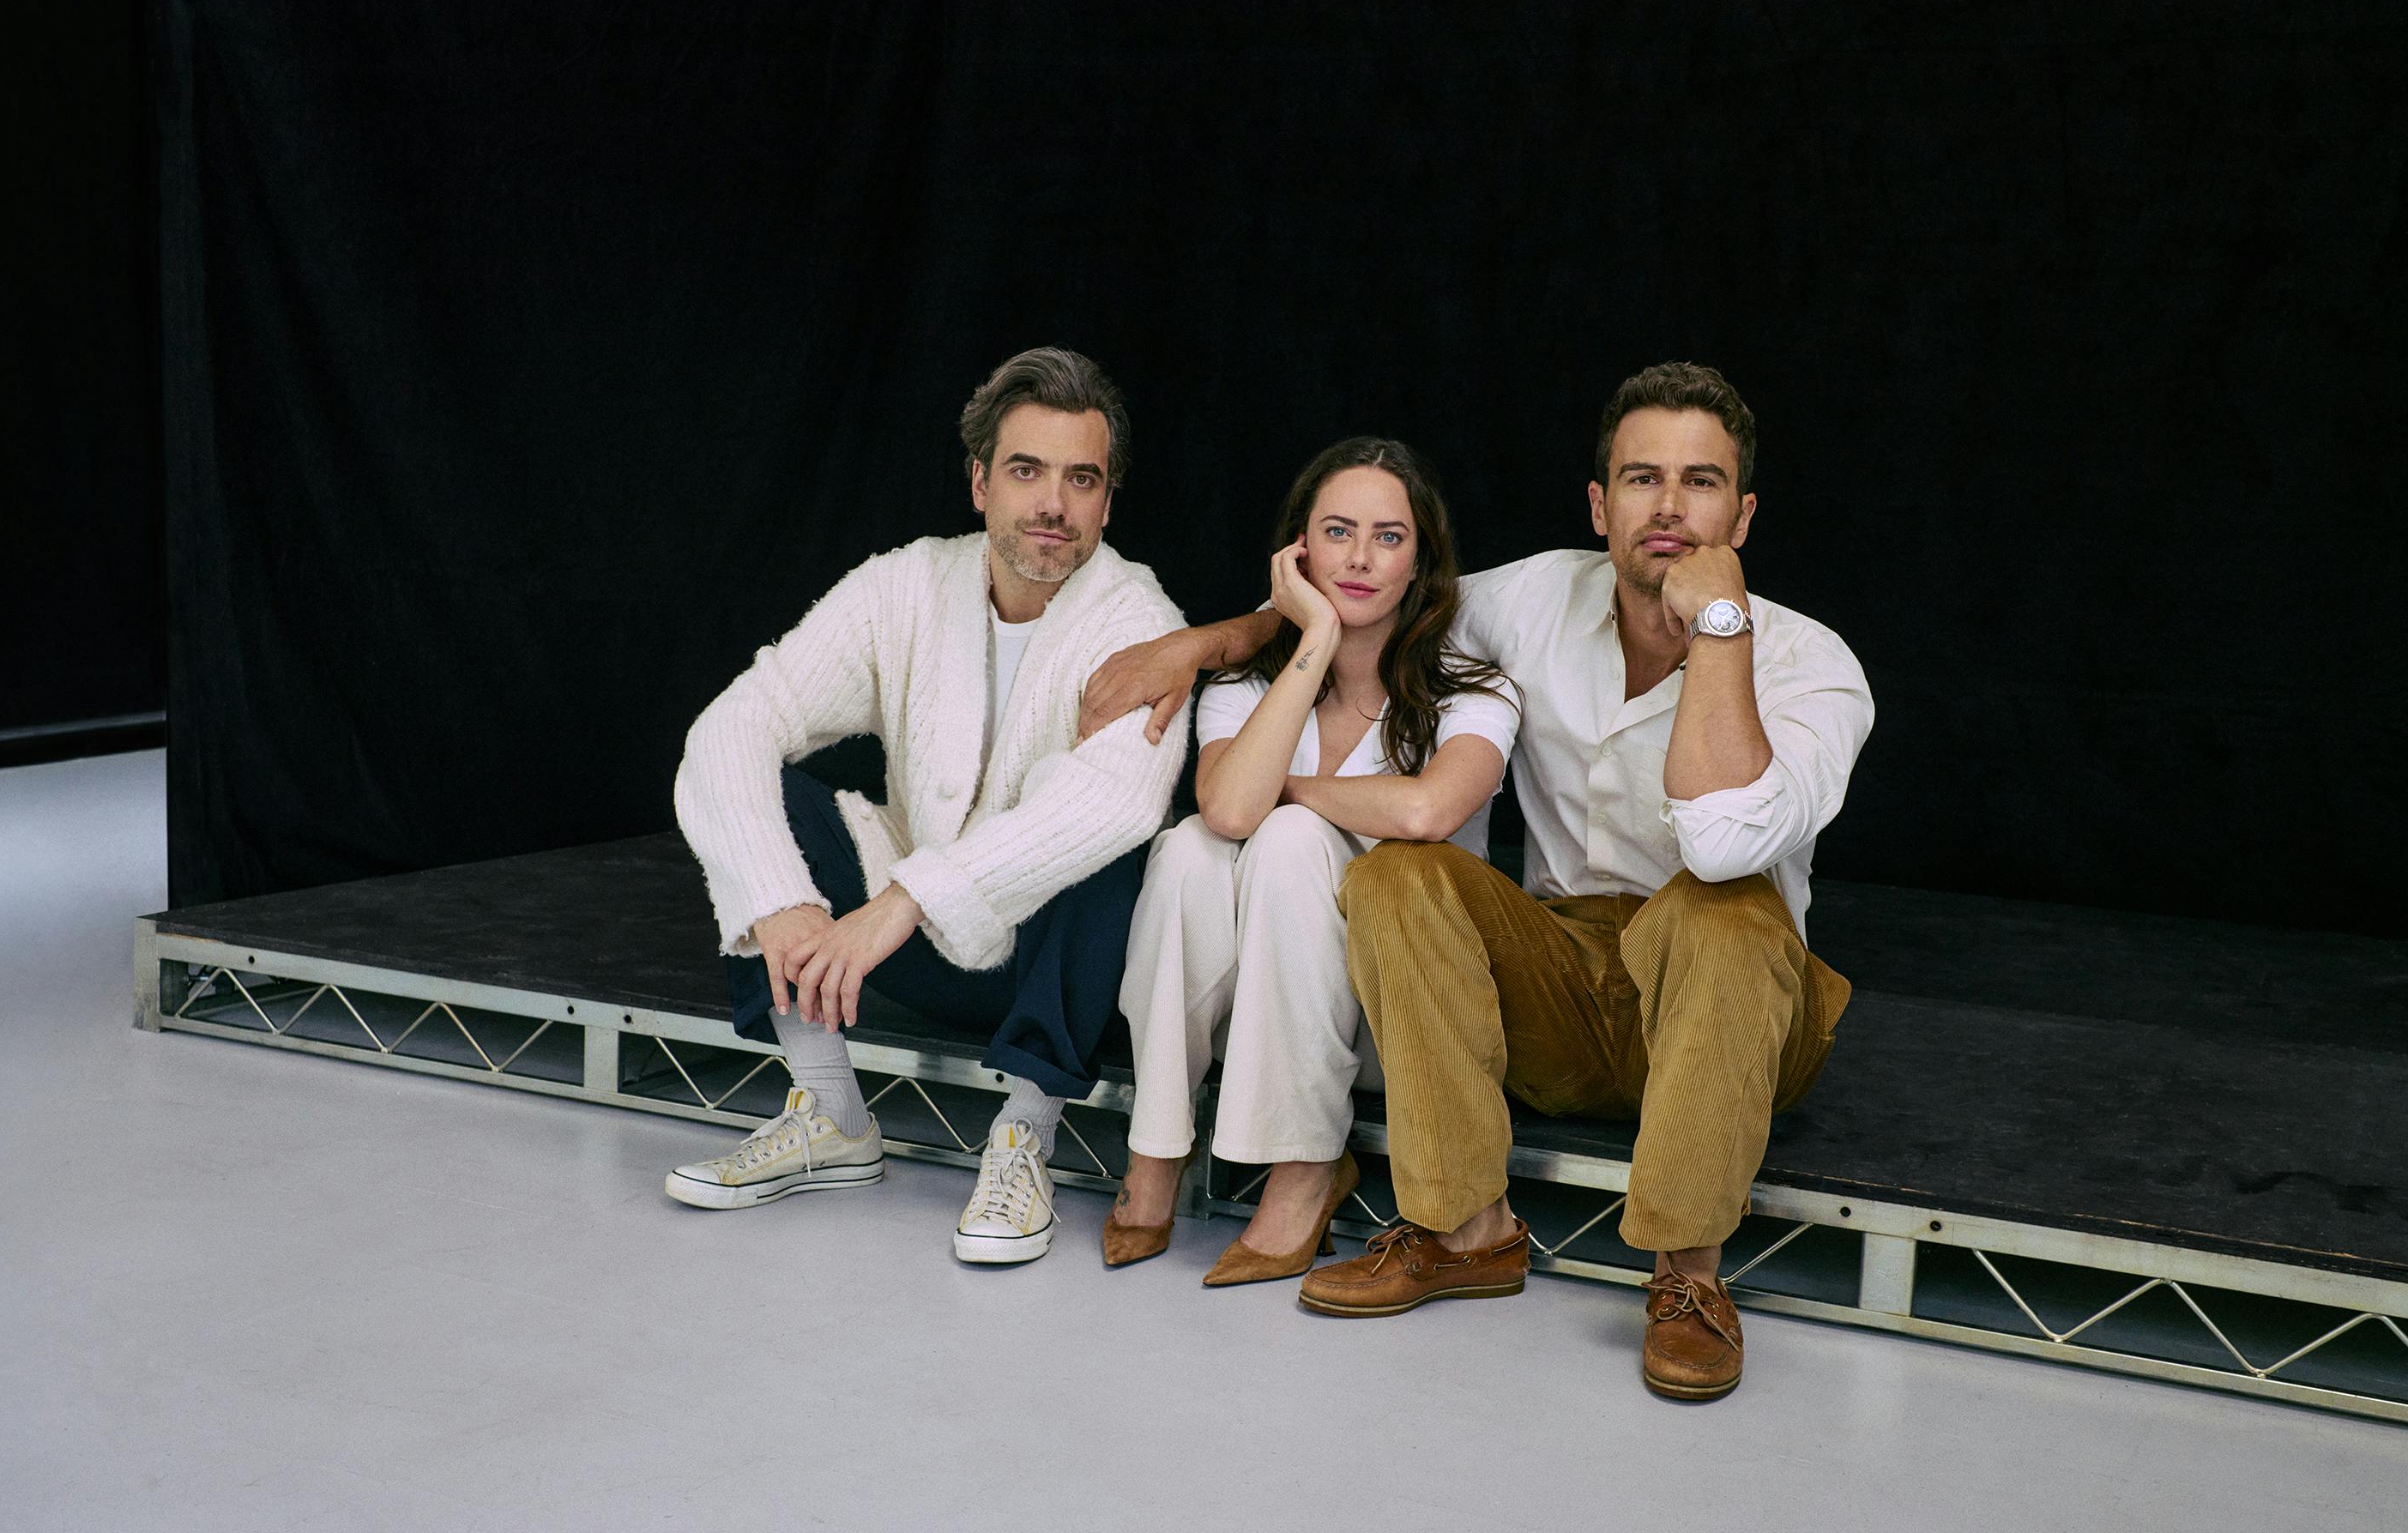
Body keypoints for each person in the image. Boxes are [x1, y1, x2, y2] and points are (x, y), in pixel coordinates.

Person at [1081, 363, 1869, 1397]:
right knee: (1405, 877)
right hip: (1563, 974)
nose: (1669, 507)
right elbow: (1365, 586)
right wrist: (1212, 641)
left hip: (1737, 1003)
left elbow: (1724, 844)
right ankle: (1465, 1230)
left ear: (1743, 511)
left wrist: (1720, 625)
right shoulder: (1532, 601)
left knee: (1721, 911)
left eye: (1700, 483)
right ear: (1600, 505)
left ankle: (1687, 1279)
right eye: (1640, 479)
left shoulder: (1816, 666)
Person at [667, 347, 1188, 1265]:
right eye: (1026, 471)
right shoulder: (907, 583)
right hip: (904, 950)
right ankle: (830, 1114)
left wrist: (901, 902)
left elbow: (1108, 806)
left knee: (1108, 838)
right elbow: (731, 727)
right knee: (760, 798)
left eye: (1081, 479)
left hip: (1054, 968)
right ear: (981, 482)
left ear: (1108, 500)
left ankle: (1026, 1133)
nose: (1052, 506)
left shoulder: (1137, 619)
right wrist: (783, 897)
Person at [1103, 439, 1518, 1283]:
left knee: (1286, 835)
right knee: (1187, 849)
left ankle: (1304, 1173)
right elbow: (1222, 811)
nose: (1360, 558)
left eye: (1388, 538)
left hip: (1391, 1030)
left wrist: (1286, 793)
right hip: (1249, 1020)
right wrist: (1315, 637)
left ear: (1420, 561)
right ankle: (1155, 1148)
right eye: (1337, 532)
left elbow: (1428, 808)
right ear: (1298, 552)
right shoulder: (1246, 686)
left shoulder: (1475, 692)